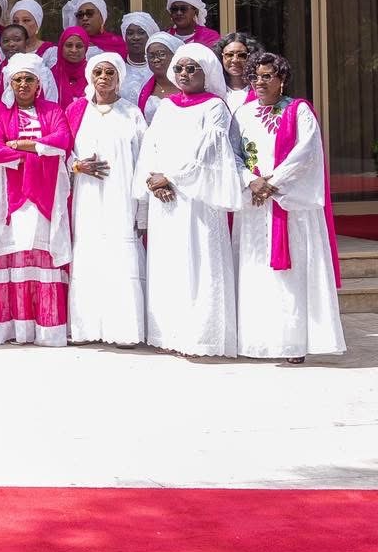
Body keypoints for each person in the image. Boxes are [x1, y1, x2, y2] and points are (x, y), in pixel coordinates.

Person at [232, 53, 346, 363]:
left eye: (267, 76)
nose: (259, 82)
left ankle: (293, 343)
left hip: (290, 206)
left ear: (282, 80)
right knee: (256, 272)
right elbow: (233, 155)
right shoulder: (242, 114)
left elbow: (306, 153)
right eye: (254, 76)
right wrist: (250, 181)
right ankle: (258, 342)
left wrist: (272, 183)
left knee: (291, 277)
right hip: (254, 207)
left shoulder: (299, 112)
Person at [136, 43, 243, 358]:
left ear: (207, 72)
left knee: (199, 261)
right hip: (165, 200)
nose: (183, 74)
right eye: (179, 68)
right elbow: (150, 147)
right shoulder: (167, 107)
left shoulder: (215, 107)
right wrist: (154, 179)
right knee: (171, 263)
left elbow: (211, 153)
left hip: (198, 199)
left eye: (191, 68)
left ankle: (202, 335)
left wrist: (171, 177)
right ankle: (170, 332)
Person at [0, 54, 74, 346]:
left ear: (38, 84)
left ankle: (47, 331)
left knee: (43, 256)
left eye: (29, 79)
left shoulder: (52, 110)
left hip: (47, 195)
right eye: (17, 79)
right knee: (15, 255)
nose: (23, 84)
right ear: (10, 83)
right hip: (10, 197)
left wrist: (25, 145)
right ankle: (14, 330)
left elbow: (63, 140)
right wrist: (34, 156)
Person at [66, 54, 148, 348]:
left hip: (121, 197)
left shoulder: (132, 114)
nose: (103, 77)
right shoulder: (77, 111)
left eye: (110, 72)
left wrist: (142, 212)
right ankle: (85, 328)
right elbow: (61, 153)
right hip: (86, 198)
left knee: (119, 256)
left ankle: (123, 330)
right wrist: (77, 166)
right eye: (98, 71)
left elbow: (145, 160)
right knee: (88, 255)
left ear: (119, 77)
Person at [61, 0, 125, 56]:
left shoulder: (117, 44)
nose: (84, 18)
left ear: (101, 17)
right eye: (80, 15)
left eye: (89, 13)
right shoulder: (69, 45)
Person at [136, 33, 183, 120]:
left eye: (161, 54)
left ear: (174, 55)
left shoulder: (187, 85)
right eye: (151, 56)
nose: (156, 59)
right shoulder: (144, 90)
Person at [118, 12, 161, 102]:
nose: (136, 37)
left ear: (150, 36)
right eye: (130, 33)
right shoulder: (118, 70)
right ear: (124, 37)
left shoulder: (160, 70)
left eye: (141, 33)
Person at [217, 31, 263, 111]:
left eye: (242, 55)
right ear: (221, 57)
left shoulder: (260, 88)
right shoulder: (214, 89)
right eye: (229, 55)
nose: (235, 60)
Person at [52, 27, 92, 108]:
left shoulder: (92, 74)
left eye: (79, 46)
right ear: (61, 47)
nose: (74, 50)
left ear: (86, 48)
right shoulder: (51, 75)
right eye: (69, 45)